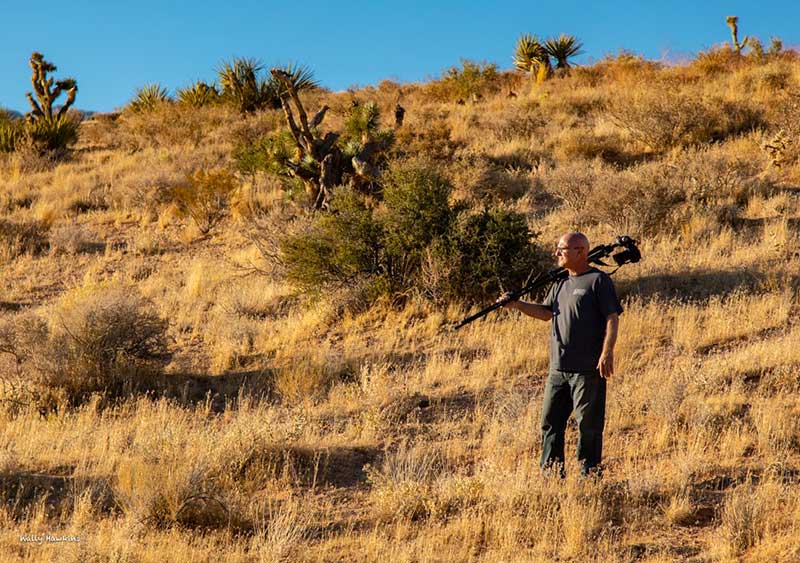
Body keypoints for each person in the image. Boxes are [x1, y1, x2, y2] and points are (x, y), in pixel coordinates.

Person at [500, 232, 623, 477]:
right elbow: (547, 313)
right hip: (558, 369)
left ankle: (590, 475)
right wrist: (518, 304)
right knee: (550, 422)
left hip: (587, 370)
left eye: (562, 249)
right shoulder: (559, 282)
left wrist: (607, 352)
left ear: (580, 251)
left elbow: (612, 317)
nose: (557, 253)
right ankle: (552, 474)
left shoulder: (598, 281)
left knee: (588, 425)